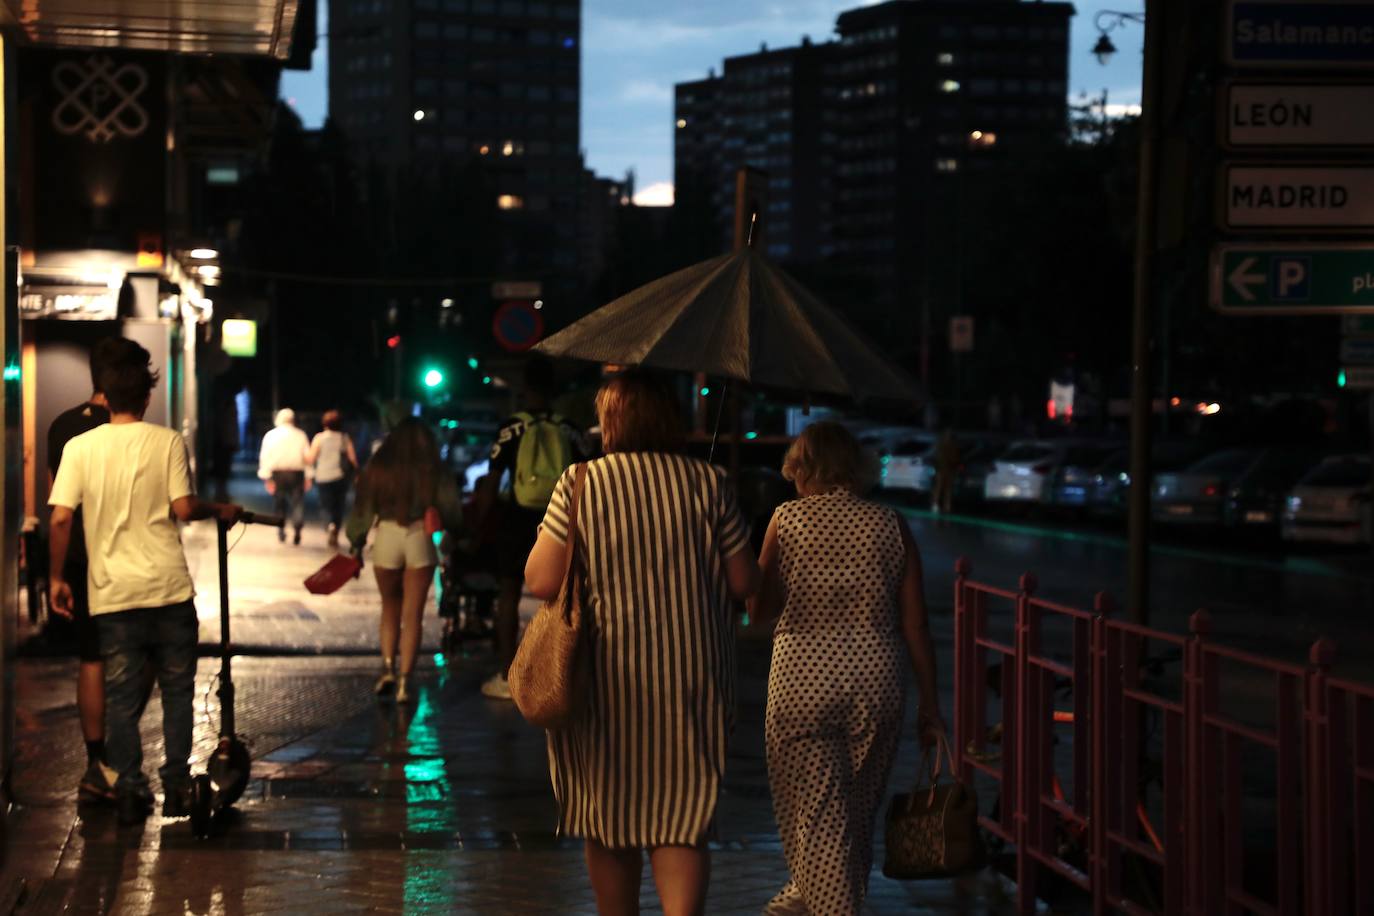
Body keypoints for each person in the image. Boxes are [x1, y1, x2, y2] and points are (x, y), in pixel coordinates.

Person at [523, 370, 759, 915]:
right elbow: (744, 582)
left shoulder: (581, 482)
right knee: (683, 811)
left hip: (603, 676)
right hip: (693, 672)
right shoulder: (709, 483)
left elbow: (540, 580)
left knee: (609, 814)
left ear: (613, 421)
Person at [752, 421, 945, 916]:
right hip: (875, 681)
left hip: (802, 682)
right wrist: (930, 702)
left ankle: (824, 905)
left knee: (815, 812)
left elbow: (759, 610)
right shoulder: (890, 523)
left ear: (802, 467)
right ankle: (807, 895)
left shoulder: (786, 519)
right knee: (854, 814)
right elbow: (917, 625)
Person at [47, 338, 243, 824]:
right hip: (169, 590)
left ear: (104, 396)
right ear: (147, 397)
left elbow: (58, 519)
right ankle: (176, 786)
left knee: (120, 694)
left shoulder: (78, 447)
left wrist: (55, 578)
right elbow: (183, 509)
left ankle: (130, 788)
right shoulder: (168, 441)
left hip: (112, 595)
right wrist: (217, 509)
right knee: (177, 692)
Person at [474, 356, 584, 701]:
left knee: (507, 595)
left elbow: (491, 481)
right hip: (558, 520)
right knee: (560, 597)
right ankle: (557, 672)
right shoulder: (569, 427)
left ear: (525, 389)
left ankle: (509, 675)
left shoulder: (512, 427)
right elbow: (584, 476)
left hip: (515, 518)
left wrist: (479, 524)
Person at [46, 338, 119, 803]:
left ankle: (98, 759)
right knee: (137, 655)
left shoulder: (61, 427)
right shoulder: (130, 428)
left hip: (79, 556)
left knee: (90, 657)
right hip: (126, 557)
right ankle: (123, 763)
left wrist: (54, 574)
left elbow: (60, 506)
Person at [345, 419, 462, 704]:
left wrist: (356, 543)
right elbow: (451, 509)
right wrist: (456, 533)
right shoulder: (434, 470)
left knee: (389, 608)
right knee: (413, 617)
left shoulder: (380, 468)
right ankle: (405, 684)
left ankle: (387, 668)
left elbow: (362, 511)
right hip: (419, 537)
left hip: (386, 536)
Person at [258, 407, 311, 545]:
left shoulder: (270, 435)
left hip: (278, 474)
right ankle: (297, 527)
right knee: (297, 502)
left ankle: (280, 529)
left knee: (279, 503)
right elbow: (307, 458)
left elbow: (265, 457)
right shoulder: (301, 435)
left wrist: (267, 478)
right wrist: (309, 476)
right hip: (296, 473)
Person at [308, 410, 359, 549]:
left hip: (323, 476)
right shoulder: (344, 437)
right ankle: (336, 528)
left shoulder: (319, 438)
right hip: (341, 477)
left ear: (324, 423)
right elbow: (352, 458)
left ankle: (329, 525)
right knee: (339, 505)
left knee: (326, 505)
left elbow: (311, 458)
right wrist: (357, 473)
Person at [932, 429, 962, 514]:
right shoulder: (942, 445)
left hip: (949, 469)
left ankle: (946, 505)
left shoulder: (952, 445)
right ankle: (936, 504)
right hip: (942, 469)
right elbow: (937, 457)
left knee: (947, 489)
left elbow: (955, 457)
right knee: (939, 487)